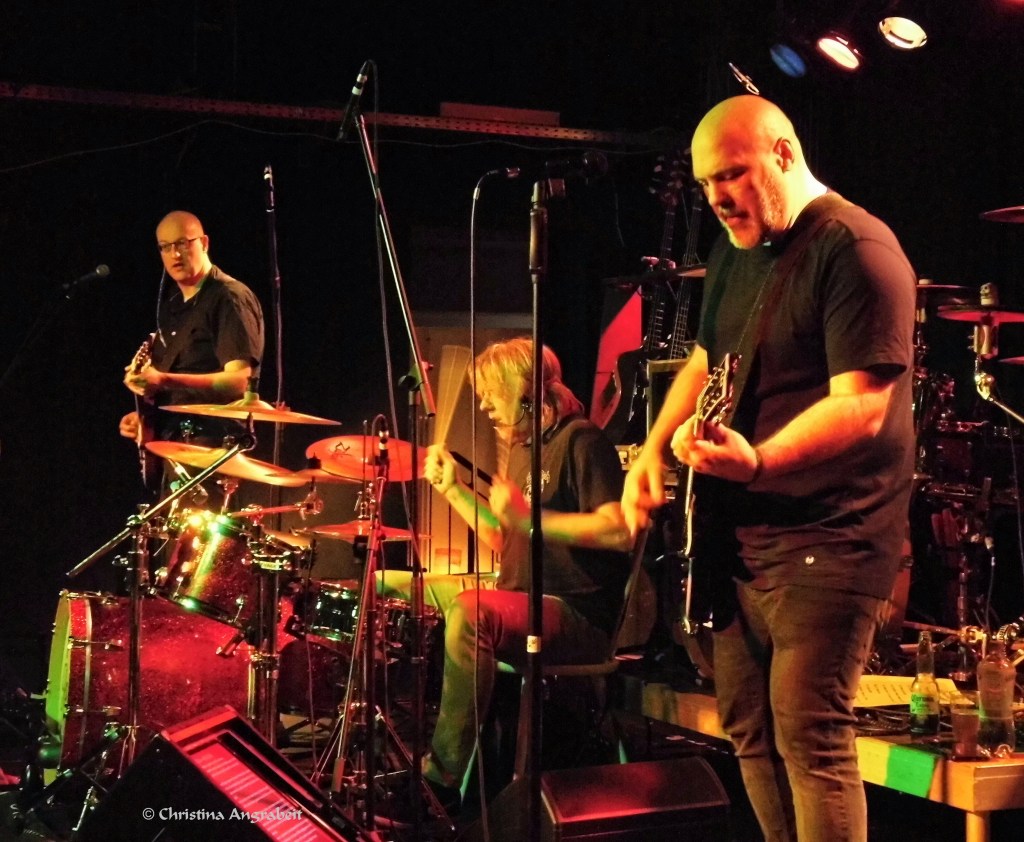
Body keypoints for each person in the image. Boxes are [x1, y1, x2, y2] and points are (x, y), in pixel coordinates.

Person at [621, 95, 916, 842]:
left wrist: (758, 460)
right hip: (743, 537)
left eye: (731, 175)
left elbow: (863, 405)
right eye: (705, 183)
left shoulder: (857, 248)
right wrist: (652, 449)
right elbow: (704, 358)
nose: (717, 198)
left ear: (784, 154)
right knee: (750, 731)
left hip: (832, 536)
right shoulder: (735, 250)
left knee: (811, 735)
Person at [403, 337, 632, 816]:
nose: (484, 404)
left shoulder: (583, 441)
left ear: (527, 392)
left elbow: (618, 531)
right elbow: (504, 539)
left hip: (575, 616)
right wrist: (453, 490)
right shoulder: (528, 449)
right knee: (396, 585)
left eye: (492, 392)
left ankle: (441, 781)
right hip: (521, 603)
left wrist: (529, 518)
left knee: (472, 609)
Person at [118, 210, 265, 494]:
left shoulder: (229, 297)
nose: (175, 254)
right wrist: (148, 421)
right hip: (175, 450)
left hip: (213, 450)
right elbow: (174, 388)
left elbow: (239, 382)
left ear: (204, 243)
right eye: (165, 247)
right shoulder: (173, 307)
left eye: (183, 244)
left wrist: (163, 380)